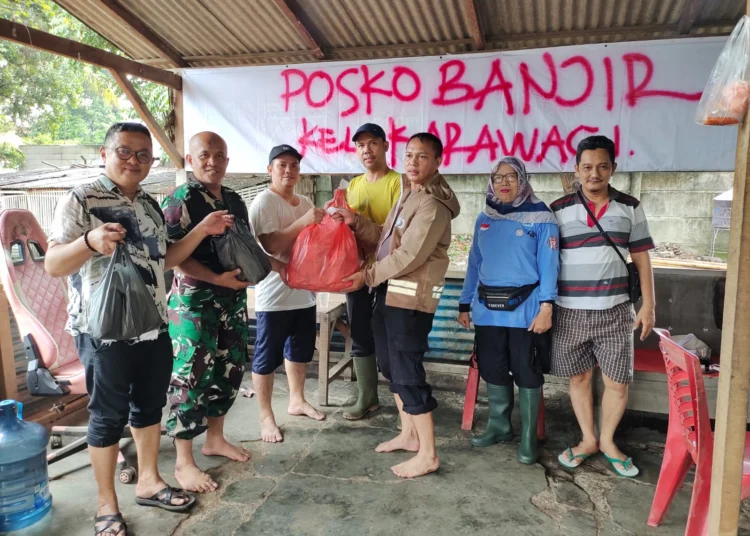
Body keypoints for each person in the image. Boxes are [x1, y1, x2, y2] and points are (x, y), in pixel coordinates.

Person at [45, 122, 233, 536]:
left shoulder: (149, 204)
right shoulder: (82, 198)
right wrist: (89, 242)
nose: (134, 161)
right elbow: (53, 263)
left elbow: (163, 260)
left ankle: (148, 482)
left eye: (143, 155)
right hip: (103, 332)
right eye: (125, 152)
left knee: (149, 408)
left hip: (154, 326)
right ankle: (106, 504)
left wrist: (201, 230)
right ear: (104, 152)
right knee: (107, 418)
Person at [334, 132, 460, 478]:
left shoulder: (433, 205)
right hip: (390, 294)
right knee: (390, 365)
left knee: (407, 371)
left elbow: (410, 254)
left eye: (422, 157)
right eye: (409, 156)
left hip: (411, 298)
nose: (413, 163)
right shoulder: (409, 193)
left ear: (437, 162)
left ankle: (429, 453)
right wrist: (355, 222)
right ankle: (408, 434)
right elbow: (387, 238)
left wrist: (367, 276)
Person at [162, 132, 275, 493]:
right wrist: (215, 279)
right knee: (190, 378)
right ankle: (183, 462)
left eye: (220, 155)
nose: (213, 161)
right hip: (194, 305)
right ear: (190, 160)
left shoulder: (234, 200)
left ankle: (215, 439)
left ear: (228, 160)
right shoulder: (180, 199)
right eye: (205, 155)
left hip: (231, 301)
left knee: (228, 369)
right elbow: (173, 258)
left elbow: (243, 244)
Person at [550, 135, 656, 478]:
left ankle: (609, 441)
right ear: (577, 170)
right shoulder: (558, 209)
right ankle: (588, 440)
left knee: (617, 382)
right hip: (570, 310)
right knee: (579, 378)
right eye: (587, 167)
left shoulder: (630, 206)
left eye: (602, 167)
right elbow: (546, 259)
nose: (594, 174)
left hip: (616, 311)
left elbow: (641, 257)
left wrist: (648, 305)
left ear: (613, 168)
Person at [457, 156, 559, 464]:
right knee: (493, 367)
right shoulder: (484, 218)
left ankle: (528, 438)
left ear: (523, 181)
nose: (504, 183)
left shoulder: (542, 218)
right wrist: (464, 303)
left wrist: (547, 306)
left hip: (527, 310)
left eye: (511, 177)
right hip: (488, 310)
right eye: (498, 177)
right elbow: (474, 263)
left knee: (527, 370)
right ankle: (499, 426)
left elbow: (549, 265)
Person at [248, 144, 327, 444]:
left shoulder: (304, 201)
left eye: (294, 165)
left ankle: (297, 400)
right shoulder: (264, 203)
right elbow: (272, 246)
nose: (288, 170)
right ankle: (266, 416)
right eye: (282, 165)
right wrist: (304, 222)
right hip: (273, 298)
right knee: (266, 358)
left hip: (304, 294)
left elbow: (315, 243)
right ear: (270, 169)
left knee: (299, 351)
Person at [336, 123, 400, 420]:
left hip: (391, 271)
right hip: (358, 270)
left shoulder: (399, 183)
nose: (366, 150)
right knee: (360, 331)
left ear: (386, 146)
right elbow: (349, 233)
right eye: (361, 145)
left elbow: (396, 234)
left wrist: (357, 219)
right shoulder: (354, 186)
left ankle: (407, 400)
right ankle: (367, 397)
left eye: (373, 143)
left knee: (394, 336)